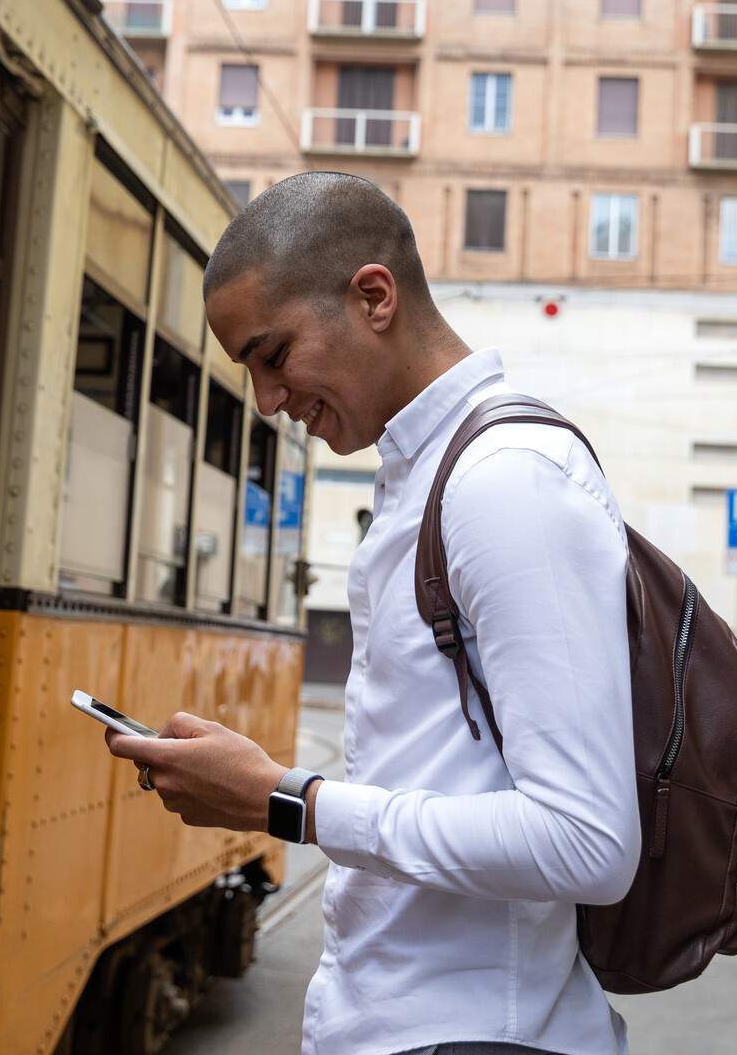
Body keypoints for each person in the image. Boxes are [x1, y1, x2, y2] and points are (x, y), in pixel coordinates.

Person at [104, 171, 638, 1055]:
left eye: (273, 356)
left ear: (374, 297)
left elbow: (587, 842)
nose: (269, 400)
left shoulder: (505, 483)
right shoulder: (426, 479)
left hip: (470, 1036)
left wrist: (289, 802)